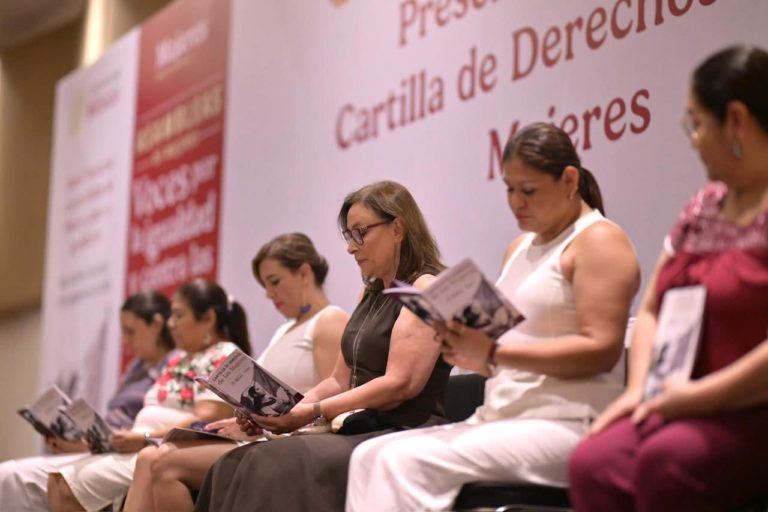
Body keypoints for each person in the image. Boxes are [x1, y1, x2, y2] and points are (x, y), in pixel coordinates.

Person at [345, 123, 640, 512]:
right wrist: (464, 348)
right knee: (367, 456)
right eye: (509, 189)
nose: (516, 202)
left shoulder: (599, 239)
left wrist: (493, 352)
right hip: (503, 415)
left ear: (569, 180)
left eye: (528, 190)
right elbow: (501, 357)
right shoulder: (519, 248)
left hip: (567, 421)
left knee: (399, 463)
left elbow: (600, 351)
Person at [568, 45, 768, 512]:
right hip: (677, 399)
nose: (693, 140)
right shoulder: (702, 207)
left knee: (668, 462)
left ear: (736, 121)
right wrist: (639, 389)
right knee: (592, 462)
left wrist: (701, 397)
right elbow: (653, 306)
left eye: (696, 124)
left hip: (751, 405)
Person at [193, 180, 451, 512]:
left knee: (268, 463)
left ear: (398, 229)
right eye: (348, 236)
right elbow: (338, 381)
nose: (351, 247)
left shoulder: (425, 288)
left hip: (401, 431)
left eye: (360, 233)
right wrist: (282, 413)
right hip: (358, 426)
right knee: (231, 465)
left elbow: (400, 384)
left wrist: (310, 413)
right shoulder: (370, 293)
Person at [124, 233, 348, 512]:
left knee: (164, 463)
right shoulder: (283, 330)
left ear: (304, 273)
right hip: (267, 437)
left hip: (294, 442)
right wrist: (245, 419)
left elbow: (333, 398)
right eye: (264, 285)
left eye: (274, 282)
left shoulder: (330, 320)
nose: (268, 293)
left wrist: (278, 421)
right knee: (151, 457)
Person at [46, 279, 251, 512]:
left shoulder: (223, 354)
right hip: (141, 445)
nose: (171, 324)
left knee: (68, 485)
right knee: (57, 479)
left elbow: (206, 419)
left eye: (178, 316)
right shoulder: (179, 359)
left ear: (208, 319)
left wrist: (145, 438)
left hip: (163, 447)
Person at [0, 291, 174, 512]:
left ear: (156, 324)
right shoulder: (135, 369)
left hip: (129, 451)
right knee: (8, 474)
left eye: (131, 331)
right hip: (106, 448)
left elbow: (149, 428)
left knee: (18, 478)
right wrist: (78, 442)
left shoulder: (175, 369)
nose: (126, 340)